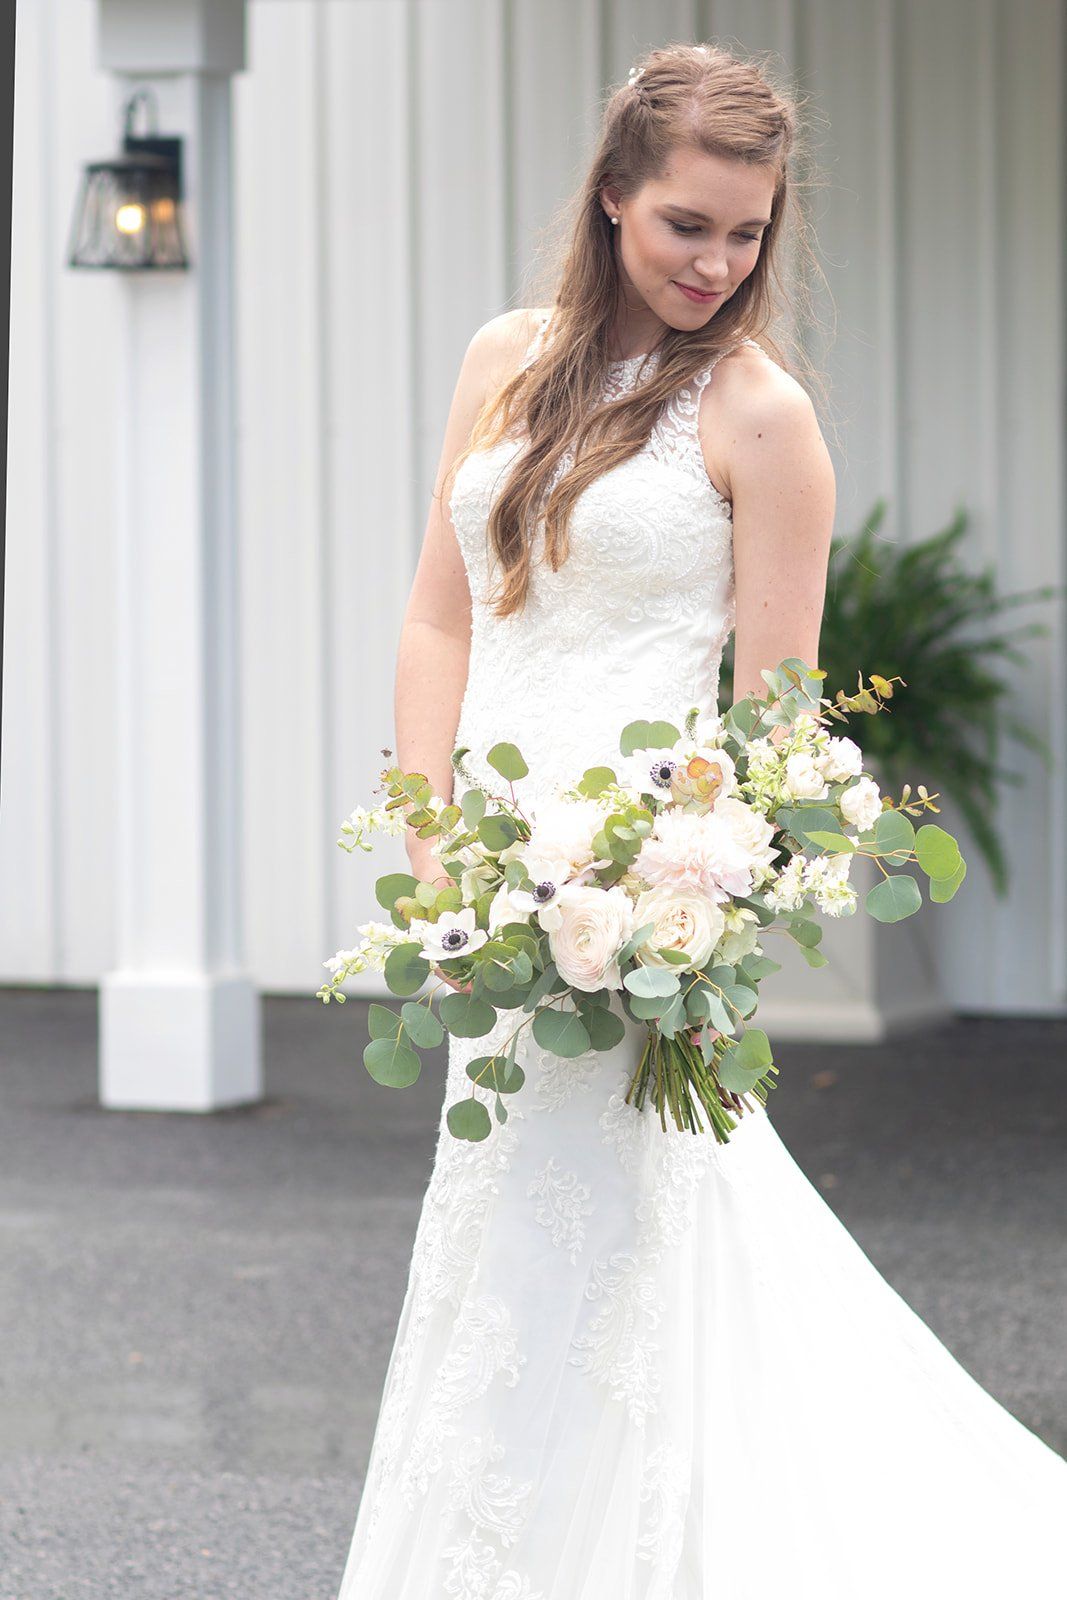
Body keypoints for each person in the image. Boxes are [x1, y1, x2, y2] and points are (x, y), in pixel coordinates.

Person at [336, 41, 1066, 1600]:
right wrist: (430, 852)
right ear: (611, 200)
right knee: (505, 1222)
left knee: (631, 1218)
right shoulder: (503, 360)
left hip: (627, 893)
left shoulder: (761, 416)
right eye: (686, 224)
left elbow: (772, 710)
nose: (715, 263)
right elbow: (438, 622)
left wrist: (680, 890)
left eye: (746, 232)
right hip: (491, 877)